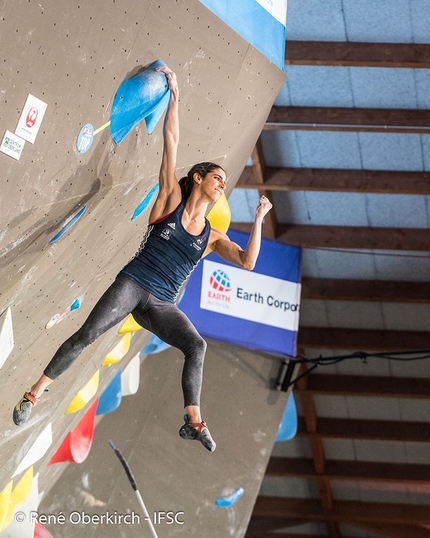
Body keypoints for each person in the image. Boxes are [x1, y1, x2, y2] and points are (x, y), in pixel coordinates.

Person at [13, 66, 272, 452]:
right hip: (134, 284)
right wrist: (175, 98)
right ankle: (34, 394)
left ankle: (194, 421)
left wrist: (259, 220)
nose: (222, 183)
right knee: (86, 334)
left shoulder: (212, 238)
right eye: (217, 176)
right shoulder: (171, 197)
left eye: (223, 180)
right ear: (198, 177)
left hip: (161, 304)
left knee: (196, 346)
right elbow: (171, 140)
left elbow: (248, 262)